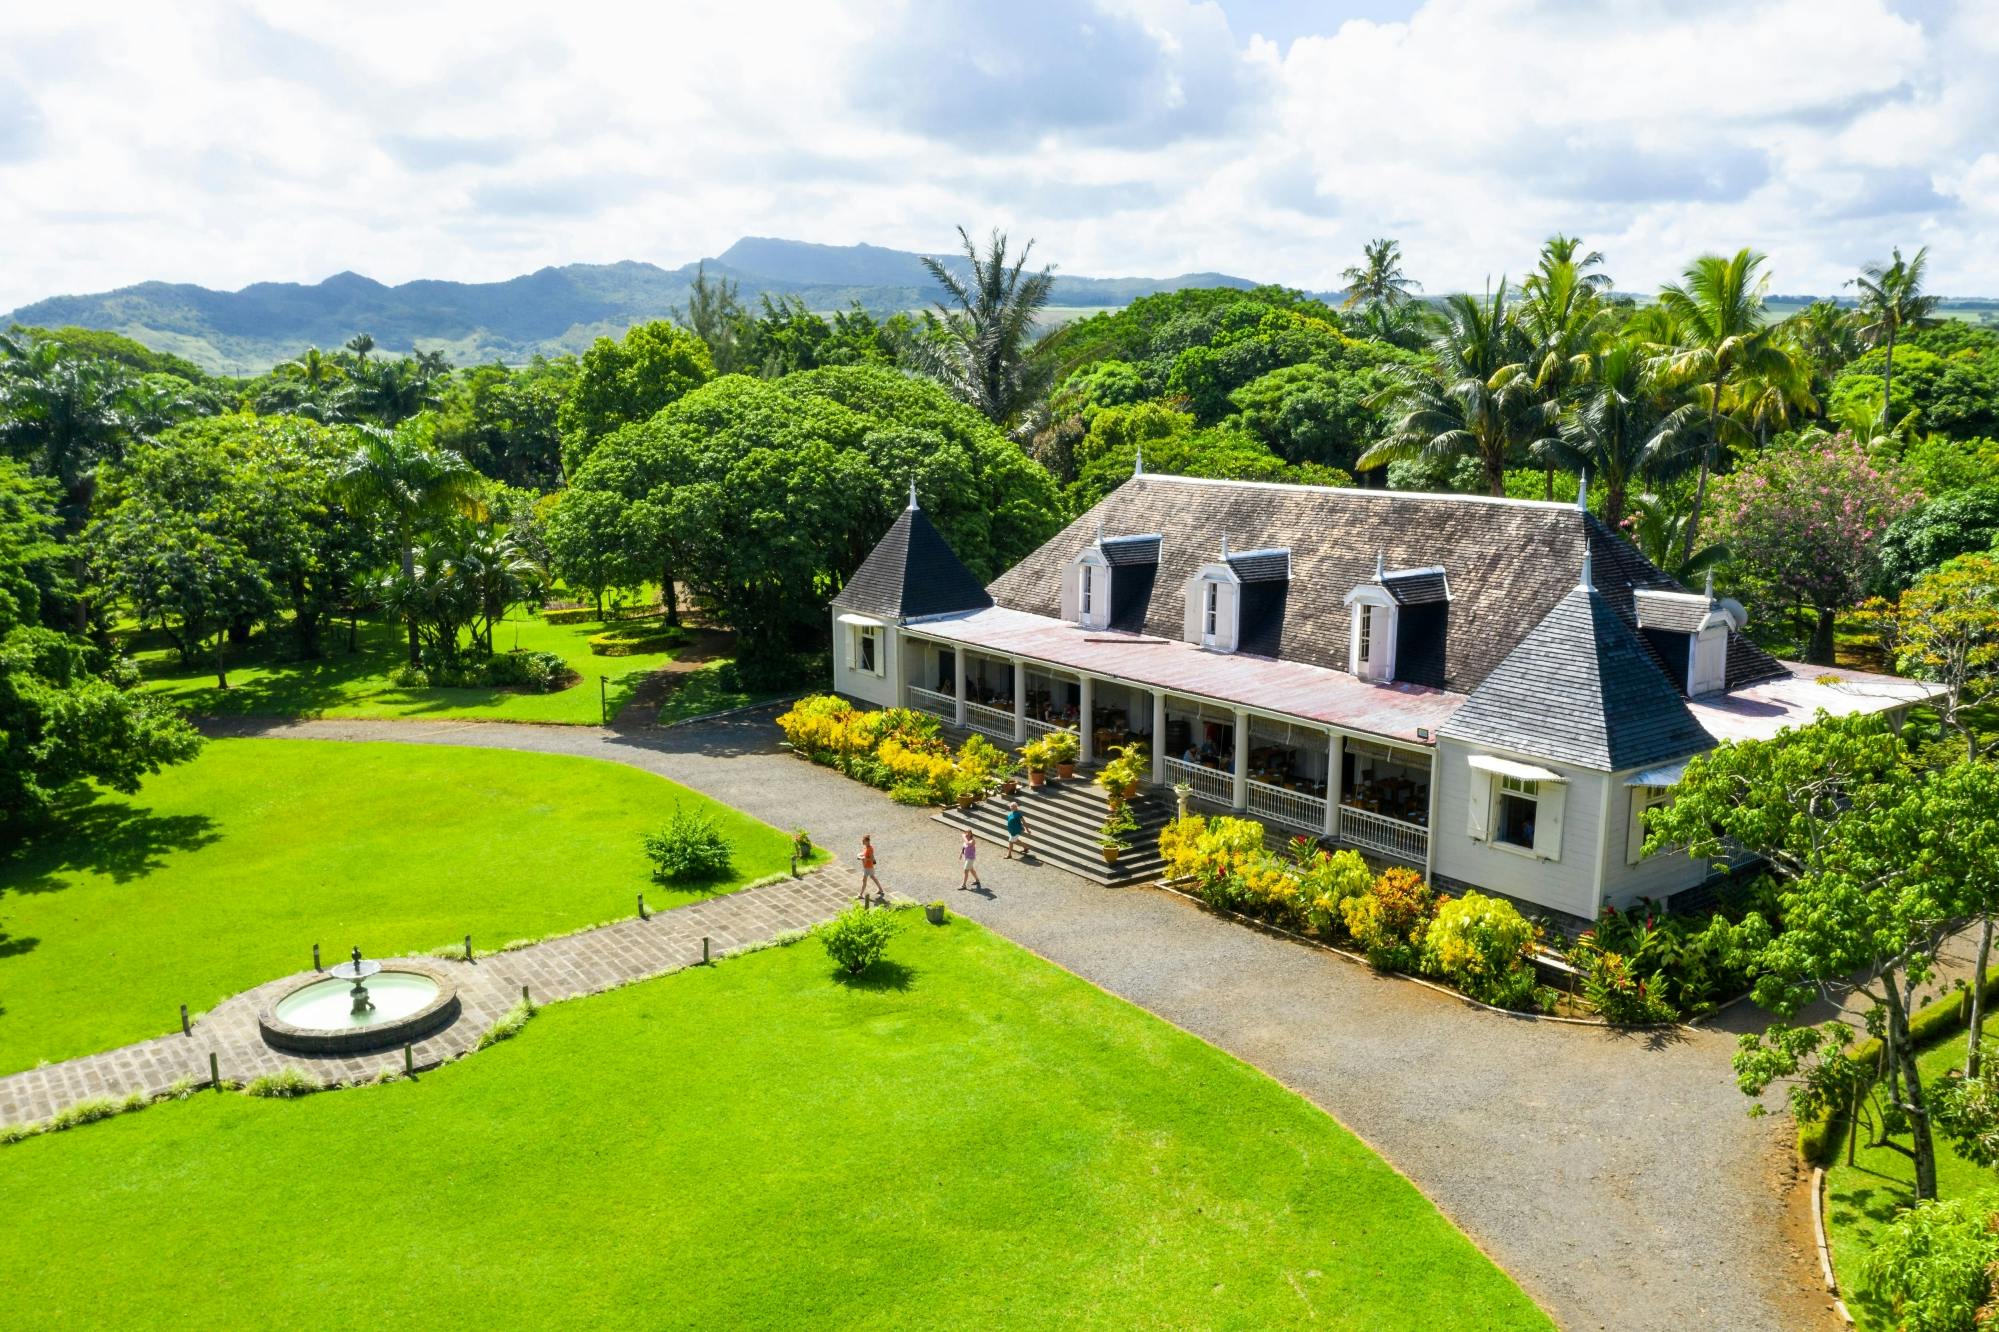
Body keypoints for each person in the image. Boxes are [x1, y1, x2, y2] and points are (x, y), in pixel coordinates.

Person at [858, 834, 883, 904]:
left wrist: (864, 858)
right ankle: (881, 889)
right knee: (873, 877)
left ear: (867, 841)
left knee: (864, 880)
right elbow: (865, 854)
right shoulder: (866, 848)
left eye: (863, 841)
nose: (862, 842)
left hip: (868, 867)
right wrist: (861, 856)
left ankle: (860, 894)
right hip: (867, 866)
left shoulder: (870, 849)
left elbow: (871, 858)